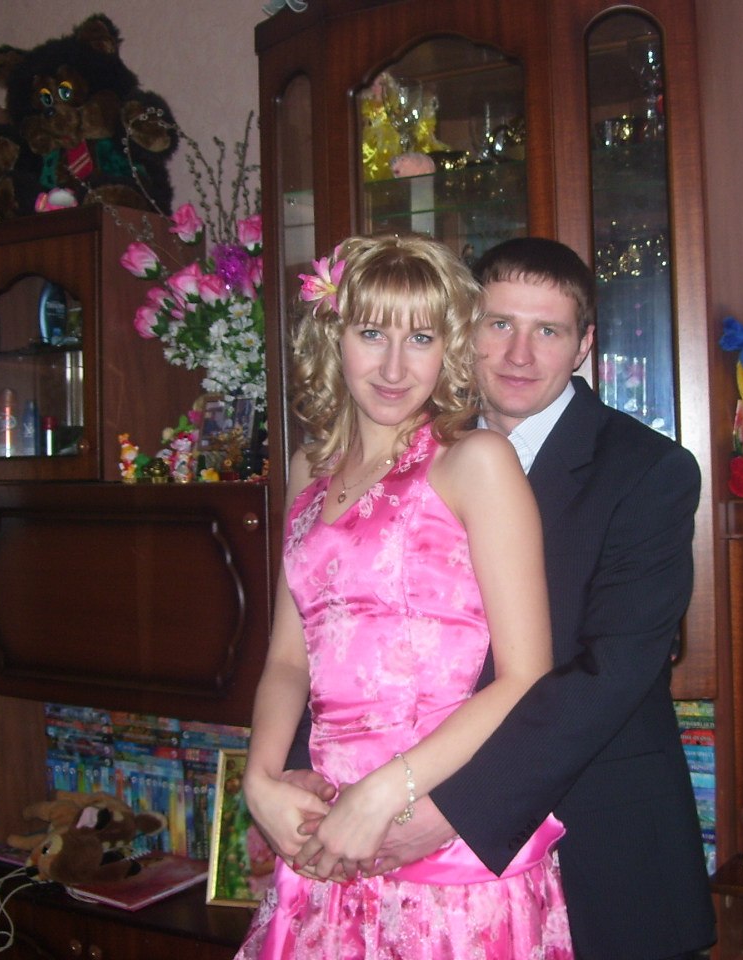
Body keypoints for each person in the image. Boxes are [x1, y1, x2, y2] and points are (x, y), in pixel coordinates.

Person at [290, 236, 715, 959]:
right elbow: (343, 625)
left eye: (548, 331)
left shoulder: (649, 471)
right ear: (465, 330)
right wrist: (304, 772)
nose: (519, 354)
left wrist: (455, 808)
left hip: (594, 839)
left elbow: (610, 673)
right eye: (499, 324)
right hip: (393, 832)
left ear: (583, 345)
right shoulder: (407, 451)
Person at [235, 233, 572, 959]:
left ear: (449, 348)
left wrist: (387, 792)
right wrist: (259, 781)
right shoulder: (310, 470)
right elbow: (289, 659)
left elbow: (526, 674)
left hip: (437, 838)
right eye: (371, 334)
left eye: (420, 338)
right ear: (333, 338)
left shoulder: (475, 462)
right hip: (326, 834)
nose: (394, 367)